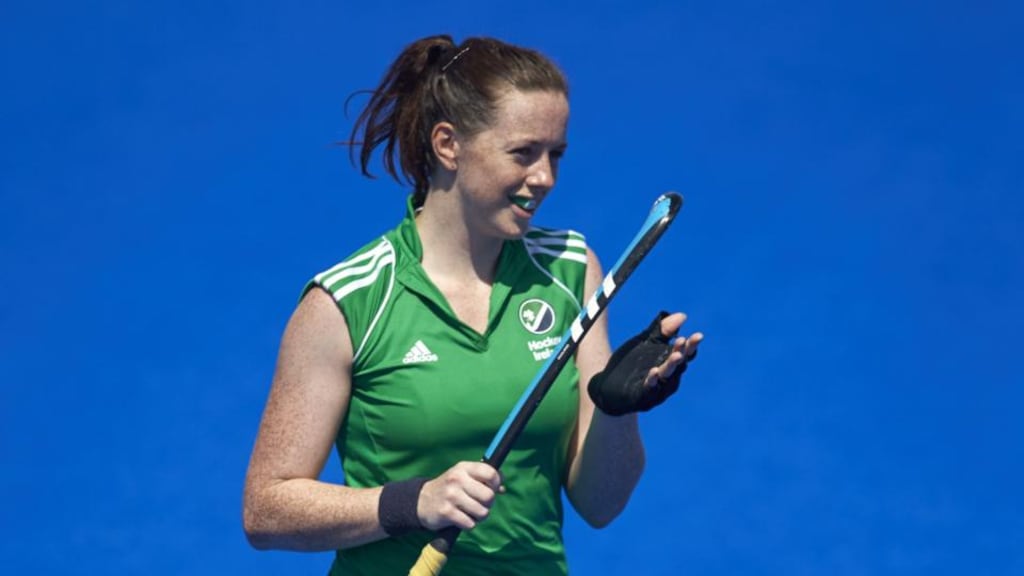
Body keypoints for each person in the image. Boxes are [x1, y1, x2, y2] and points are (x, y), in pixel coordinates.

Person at [243, 34, 703, 575]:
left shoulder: (570, 270)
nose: (545, 179)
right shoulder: (348, 302)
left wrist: (617, 411)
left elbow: (601, 505)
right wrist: (413, 502)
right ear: (448, 145)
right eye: (523, 153)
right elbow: (265, 510)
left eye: (556, 154)